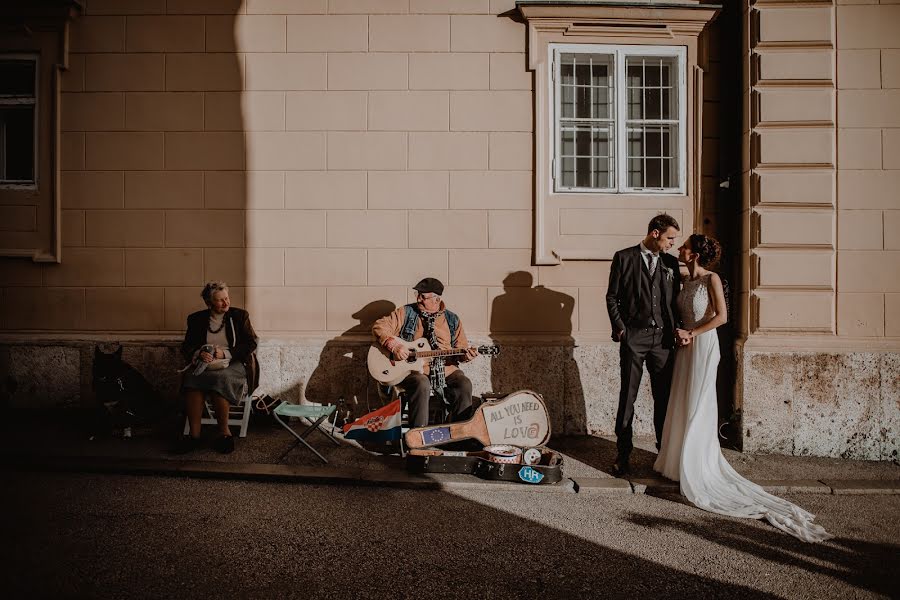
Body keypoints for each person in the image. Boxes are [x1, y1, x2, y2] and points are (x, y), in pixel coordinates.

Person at [654, 234, 832, 542]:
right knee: (681, 400)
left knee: (698, 402)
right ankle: (676, 460)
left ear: (695, 253)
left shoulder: (712, 279)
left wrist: (693, 333)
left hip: (703, 343)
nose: (679, 249)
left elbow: (721, 317)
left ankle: (697, 464)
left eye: (684, 246)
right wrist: (680, 332)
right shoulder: (684, 279)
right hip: (686, 343)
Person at [606, 213, 688, 477]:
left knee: (663, 398)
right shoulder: (624, 257)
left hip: (663, 341)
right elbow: (612, 296)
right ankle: (623, 453)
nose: (672, 243)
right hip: (634, 337)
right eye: (669, 238)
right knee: (627, 396)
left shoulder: (671, 263)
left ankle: (662, 454)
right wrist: (621, 329)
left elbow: (676, 300)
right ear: (655, 233)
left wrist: (678, 329)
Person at [372, 277, 478, 428]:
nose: (419, 299)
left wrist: (466, 356)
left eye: (423, 296)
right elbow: (380, 326)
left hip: (445, 369)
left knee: (464, 384)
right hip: (413, 371)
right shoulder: (407, 312)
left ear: (437, 299)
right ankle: (418, 437)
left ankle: (459, 434)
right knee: (422, 383)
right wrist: (394, 346)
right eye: (418, 295)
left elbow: (461, 348)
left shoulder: (452, 319)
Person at [175, 281, 259, 454]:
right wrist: (198, 353)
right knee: (191, 378)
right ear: (209, 303)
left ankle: (224, 434)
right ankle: (194, 436)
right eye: (220, 300)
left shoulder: (239, 316)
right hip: (206, 365)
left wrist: (226, 354)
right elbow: (187, 346)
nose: (226, 303)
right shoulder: (196, 319)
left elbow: (251, 343)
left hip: (235, 364)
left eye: (227, 298)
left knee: (220, 378)